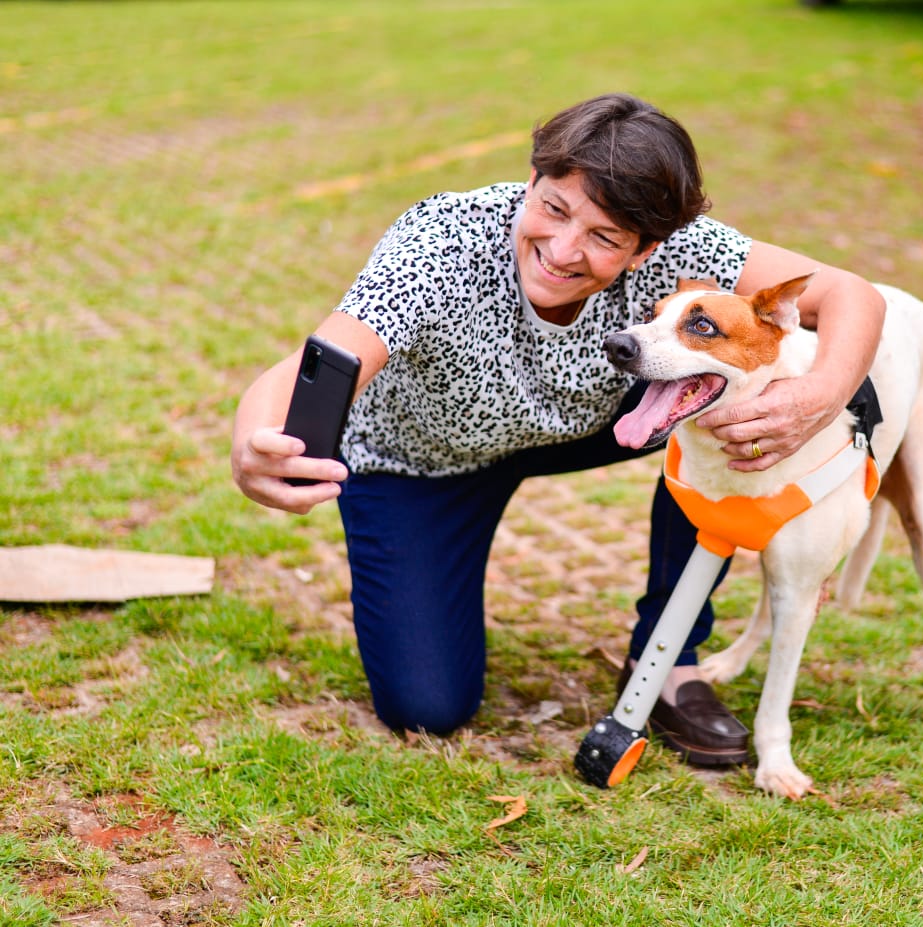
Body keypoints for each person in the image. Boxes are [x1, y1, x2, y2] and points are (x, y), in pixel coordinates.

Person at [230, 93, 886, 767]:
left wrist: (819, 395)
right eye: (553, 208)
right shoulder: (442, 239)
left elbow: (851, 295)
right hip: (422, 460)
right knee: (427, 704)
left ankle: (667, 658)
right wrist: (255, 437)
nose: (564, 250)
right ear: (532, 180)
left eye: (604, 238)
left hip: (590, 426)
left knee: (723, 399)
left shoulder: (680, 245)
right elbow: (317, 361)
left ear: (646, 248)